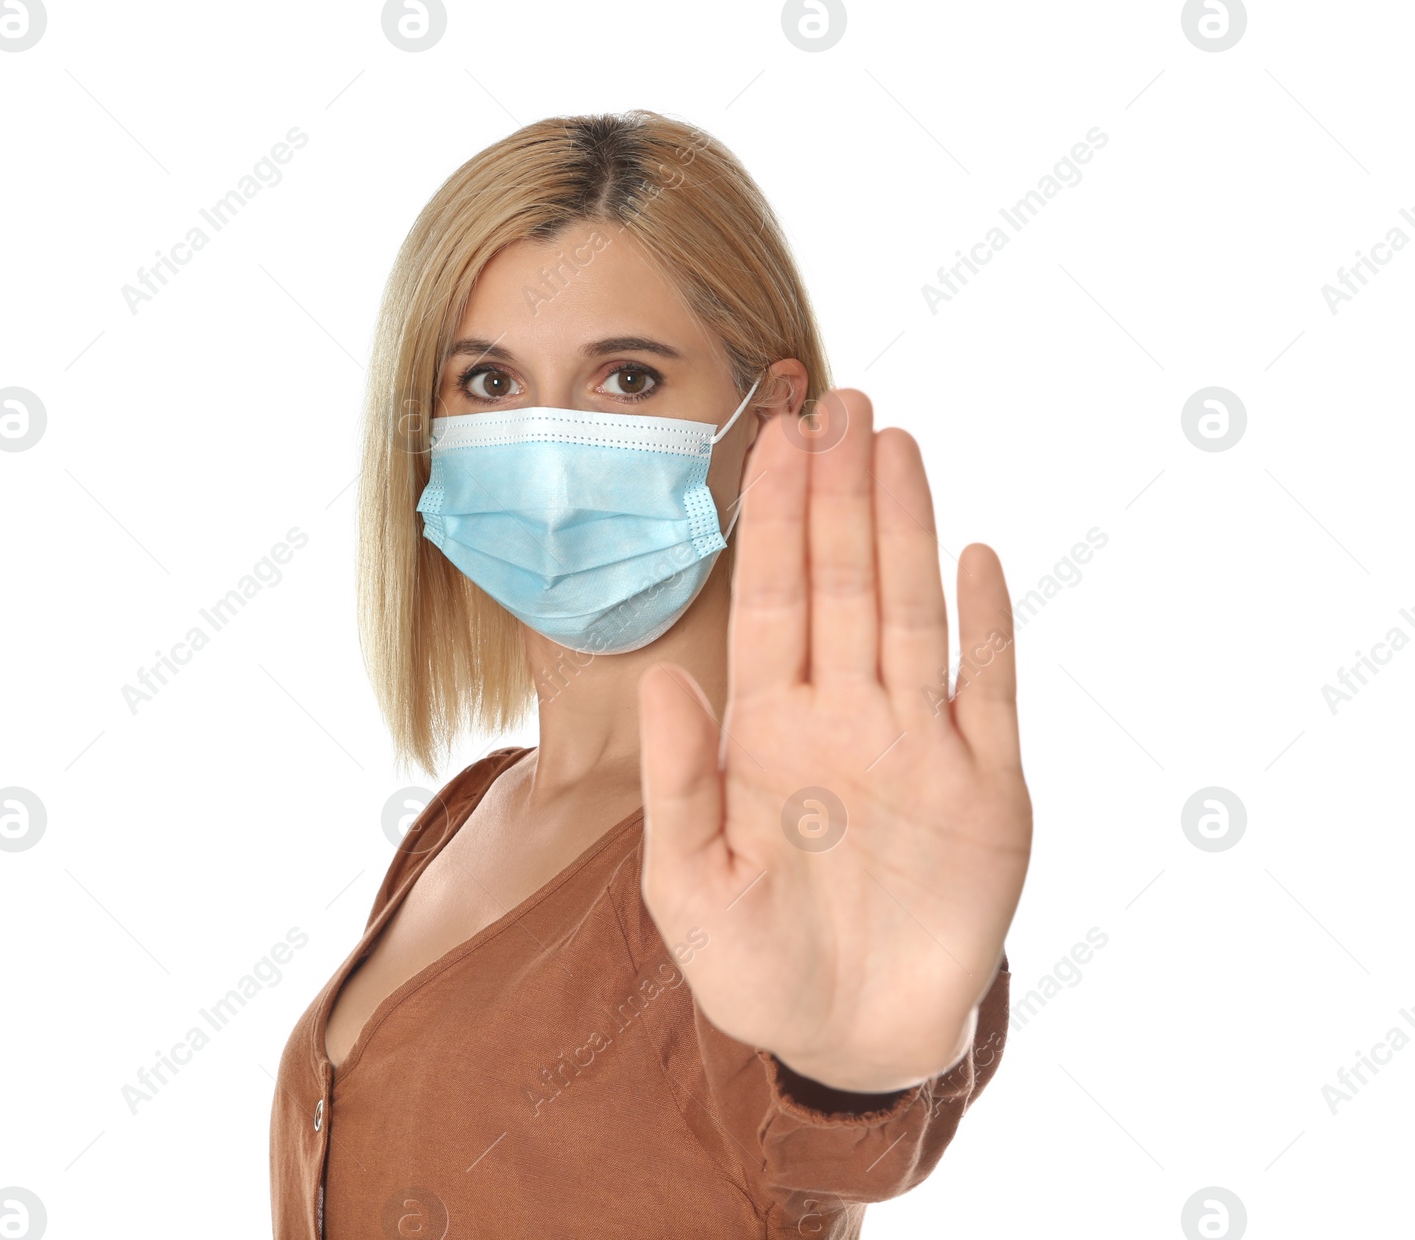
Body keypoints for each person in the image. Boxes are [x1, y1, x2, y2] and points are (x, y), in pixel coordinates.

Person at [269, 109, 1032, 1239]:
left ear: (767, 413)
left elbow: (829, 1125)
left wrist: (853, 1071)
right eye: (486, 382)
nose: (546, 449)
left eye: (626, 378)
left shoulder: (794, 837)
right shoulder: (467, 813)